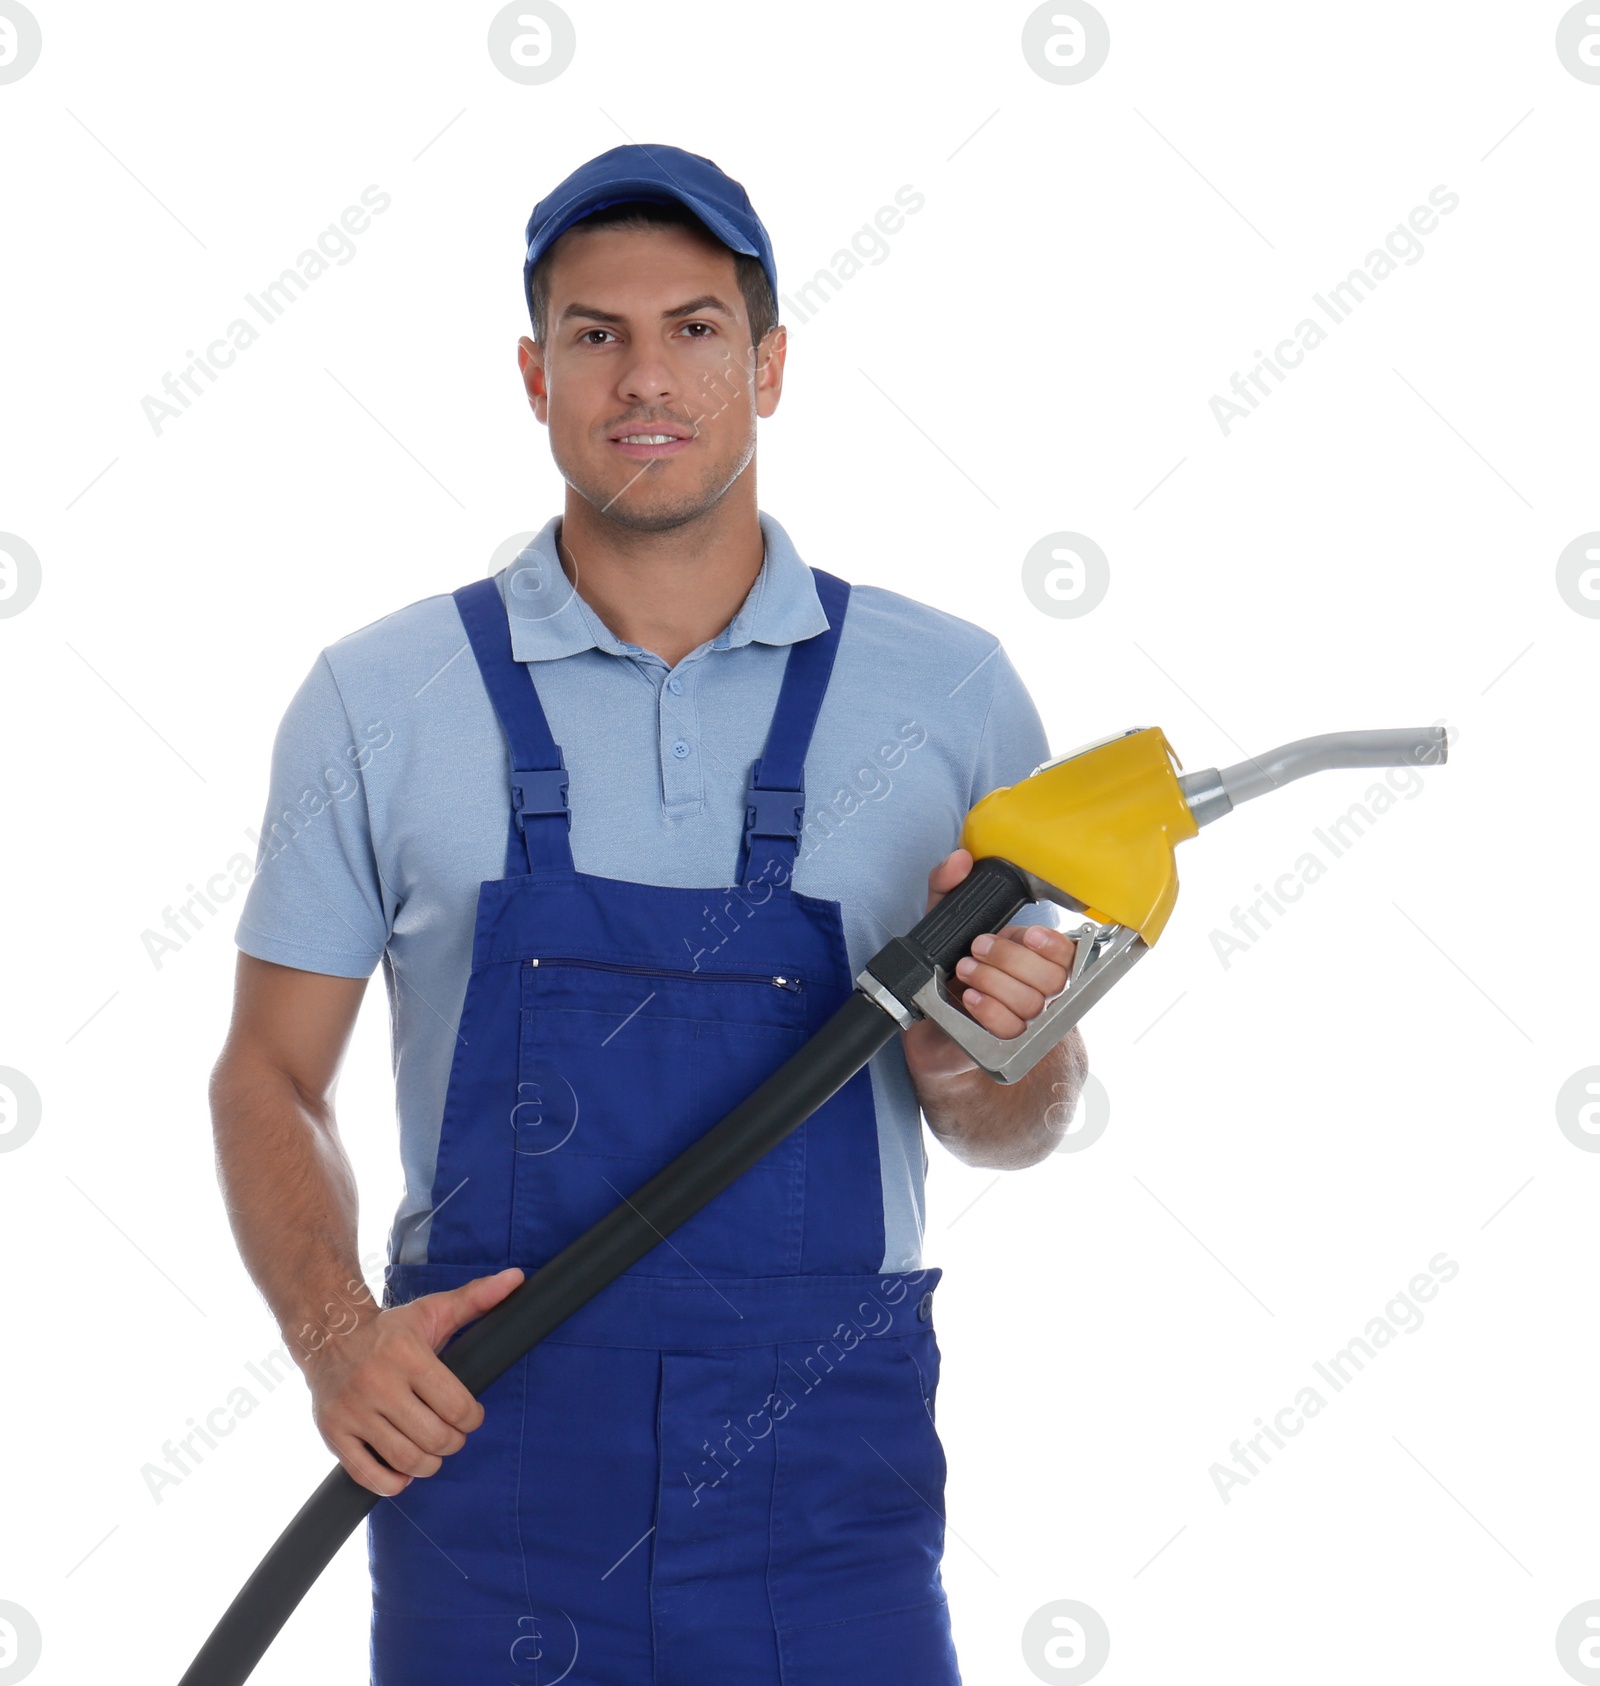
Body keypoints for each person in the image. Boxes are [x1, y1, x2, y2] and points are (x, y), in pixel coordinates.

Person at [211, 142, 1088, 1685]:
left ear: (768, 362)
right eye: (596, 334)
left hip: (830, 1509)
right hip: (487, 1472)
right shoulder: (380, 695)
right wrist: (337, 1335)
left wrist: (979, 1070)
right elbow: (268, 1073)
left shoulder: (950, 694)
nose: (645, 376)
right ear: (535, 370)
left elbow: (1025, 1112)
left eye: (692, 326)